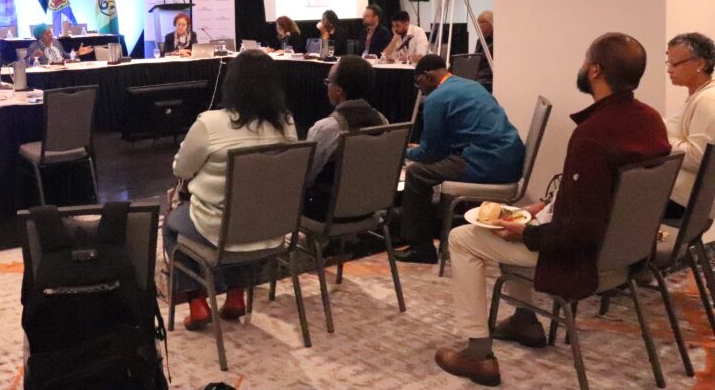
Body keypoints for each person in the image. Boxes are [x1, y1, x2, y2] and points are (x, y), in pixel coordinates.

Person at [434, 33, 670, 386]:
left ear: (595, 70)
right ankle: (524, 320)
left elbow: (579, 230)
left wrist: (526, 231)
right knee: (509, 222)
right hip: (627, 255)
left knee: (465, 237)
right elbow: (604, 195)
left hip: (584, 261)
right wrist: (546, 206)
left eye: (583, 59)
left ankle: (478, 353)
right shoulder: (649, 119)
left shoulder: (592, 135)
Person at [164, 50, 298, 330]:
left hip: (220, 230)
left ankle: (197, 302)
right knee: (243, 213)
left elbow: (181, 169)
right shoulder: (286, 123)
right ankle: (235, 296)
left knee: (173, 224)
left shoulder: (210, 123)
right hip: (270, 230)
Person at [395, 54, 524, 264]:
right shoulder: (470, 85)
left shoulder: (436, 98)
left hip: (487, 163)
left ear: (427, 76)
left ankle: (421, 248)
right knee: (437, 165)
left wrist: (402, 152)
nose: (420, 90)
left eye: (419, 84)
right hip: (511, 159)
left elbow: (431, 153)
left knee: (417, 173)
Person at [304, 55, 388, 219]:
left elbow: (307, 178)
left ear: (338, 90)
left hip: (330, 213)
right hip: (371, 209)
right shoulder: (383, 121)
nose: (326, 87)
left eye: (328, 82)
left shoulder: (326, 128)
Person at [664, 32, 715, 219]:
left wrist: (659, 137)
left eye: (675, 64)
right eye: (668, 63)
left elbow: (698, 158)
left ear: (700, 64)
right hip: (682, 197)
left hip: (684, 202)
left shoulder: (708, 100)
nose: (670, 70)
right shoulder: (698, 96)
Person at [474, 11, 494, 92]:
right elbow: (476, 58)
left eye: (482, 25)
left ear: (490, 24)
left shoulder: (498, 41)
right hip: (479, 74)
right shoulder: (480, 41)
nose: (479, 29)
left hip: (489, 76)